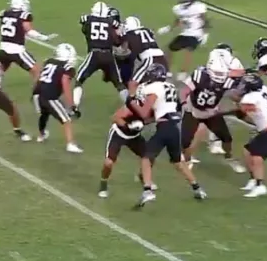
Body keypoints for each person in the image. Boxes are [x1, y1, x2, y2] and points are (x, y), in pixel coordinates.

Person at [129, 63, 207, 207]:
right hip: (175, 126)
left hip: (165, 126)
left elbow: (144, 112)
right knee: (178, 162)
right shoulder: (170, 86)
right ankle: (197, 189)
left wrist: (132, 101)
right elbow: (170, 109)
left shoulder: (153, 88)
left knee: (146, 157)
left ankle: (147, 190)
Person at [179, 56, 245, 173]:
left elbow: (239, 79)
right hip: (193, 110)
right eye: (217, 72)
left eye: (221, 72)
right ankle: (187, 159)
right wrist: (184, 103)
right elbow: (184, 91)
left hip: (211, 112)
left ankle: (229, 157)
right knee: (185, 141)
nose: (219, 75)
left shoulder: (228, 80)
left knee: (227, 138)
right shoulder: (200, 75)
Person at [237, 74, 267, 198]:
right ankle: (254, 179)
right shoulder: (263, 89)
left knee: (257, 157)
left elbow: (244, 109)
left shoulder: (250, 98)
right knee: (247, 151)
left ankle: (260, 186)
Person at [32, 44, 84, 153]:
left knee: (44, 113)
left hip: (37, 93)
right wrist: (72, 105)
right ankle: (70, 144)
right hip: (50, 97)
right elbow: (65, 83)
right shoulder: (68, 67)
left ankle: (41, 135)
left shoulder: (49, 61)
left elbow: (39, 74)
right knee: (66, 120)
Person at [74, 1, 125, 110]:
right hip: (108, 55)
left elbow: (85, 30)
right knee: (119, 84)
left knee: (79, 80)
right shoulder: (111, 21)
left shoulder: (87, 19)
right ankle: (131, 107)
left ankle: (75, 107)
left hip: (94, 54)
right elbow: (117, 40)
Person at [0, 0, 56, 81]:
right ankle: (37, 94)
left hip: (3, 49)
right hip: (16, 50)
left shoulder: (5, 13)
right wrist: (44, 37)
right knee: (37, 71)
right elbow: (29, 31)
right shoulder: (23, 15)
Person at [99, 99, 150, 198]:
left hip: (135, 136)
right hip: (119, 133)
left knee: (148, 156)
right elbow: (115, 117)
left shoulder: (153, 108)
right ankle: (103, 183)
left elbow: (151, 119)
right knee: (109, 162)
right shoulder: (135, 106)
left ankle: (143, 177)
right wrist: (128, 126)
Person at [156, 0, 207, 80]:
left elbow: (204, 20)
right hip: (185, 33)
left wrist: (204, 34)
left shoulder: (198, 7)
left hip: (196, 33)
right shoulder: (178, 8)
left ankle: (183, 72)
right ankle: (168, 71)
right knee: (168, 49)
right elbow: (179, 20)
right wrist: (168, 28)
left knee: (188, 50)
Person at [121, 16, 169, 95]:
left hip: (150, 59)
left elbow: (132, 52)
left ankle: (131, 105)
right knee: (156, 85)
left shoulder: (130, 34)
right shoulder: (146, 30)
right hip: (162, 57)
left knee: (132, 83)